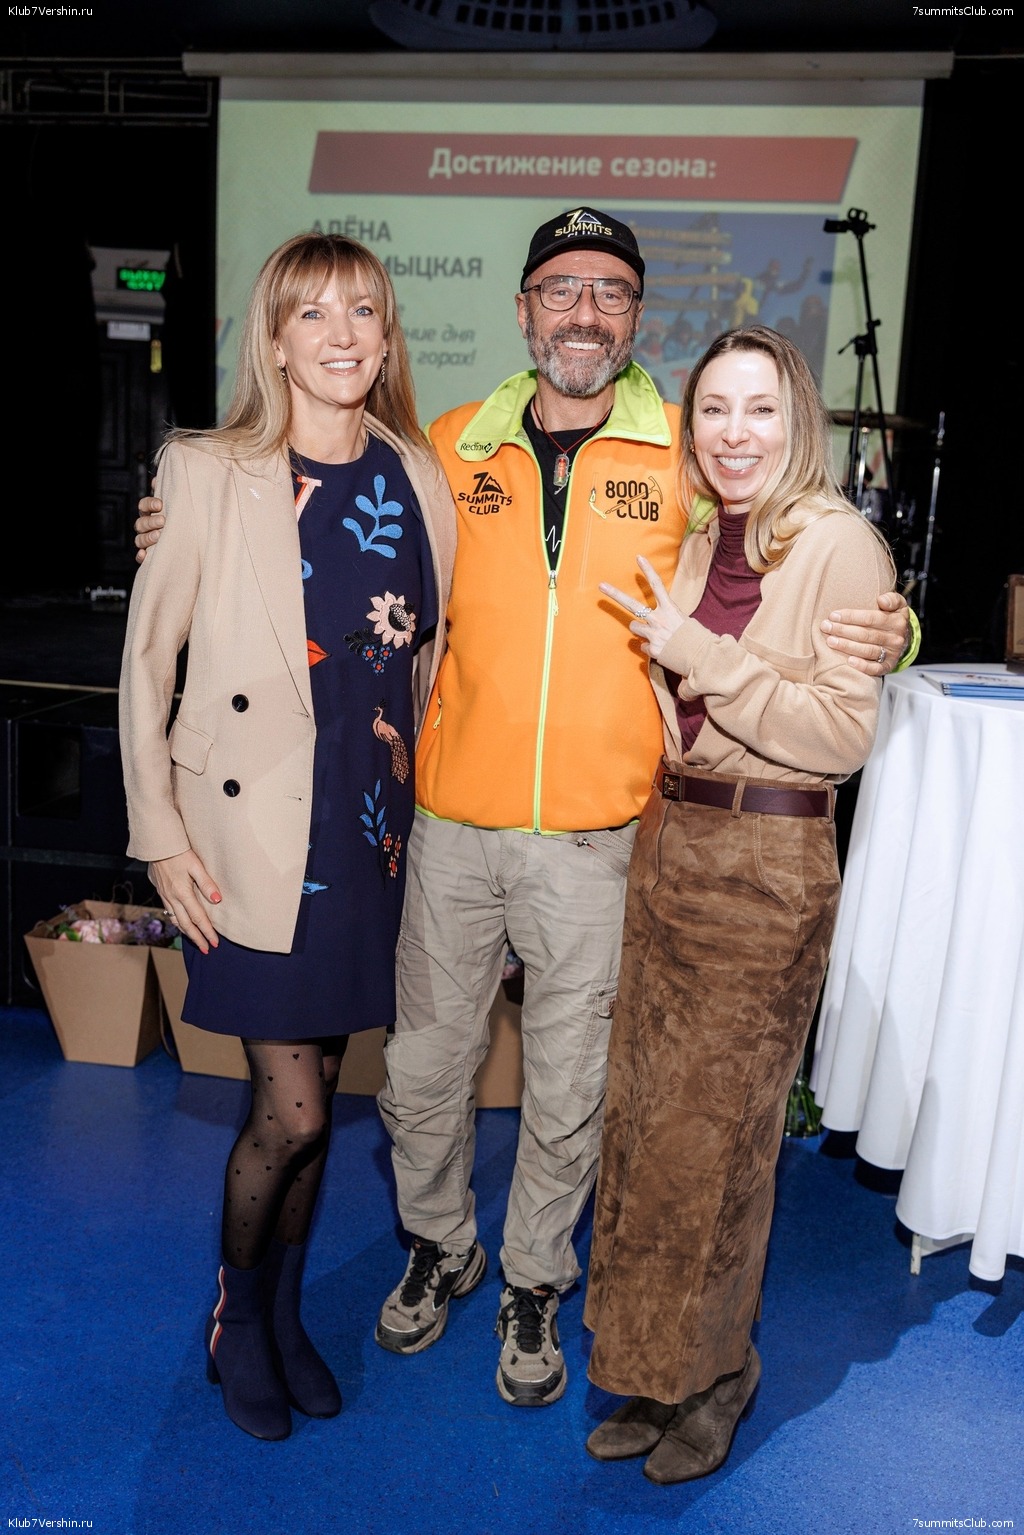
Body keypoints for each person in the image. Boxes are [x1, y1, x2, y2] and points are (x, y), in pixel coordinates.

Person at [133, 209, 914, 1411]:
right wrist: (172, 518)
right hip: (442, 826)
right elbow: (294, 523)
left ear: (637, 316)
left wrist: (893, 623)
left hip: (603, 836)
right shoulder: (448, 448)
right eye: (559, 290)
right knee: (417, 1080)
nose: (583, 313)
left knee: (565, 1090)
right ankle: (438, 1243)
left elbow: (790, 544)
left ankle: (535, 1276)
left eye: (610, 292)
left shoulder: (687, 457)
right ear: (523, 311)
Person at [119, 232, 456, 1441]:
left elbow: (424, 657)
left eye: (362, 310)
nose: (341, 335)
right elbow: (147, 660)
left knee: (317, 1107)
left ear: (388, 334)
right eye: (312, 313)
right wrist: (159, 835)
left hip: (367, 833)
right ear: (272, 340)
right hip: (248, 839)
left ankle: (282, 1314)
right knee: (297, 1111)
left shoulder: (418, 478)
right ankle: (234, 1313)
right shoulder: (205, 470)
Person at [584, 324, 894, 1482]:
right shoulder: (699, 531)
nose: (733, 432)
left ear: (796, 419)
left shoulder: (837, 544)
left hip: (765, 864)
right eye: (712, 409)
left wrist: (702, 656)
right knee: (646, 1125)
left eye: (758, 408)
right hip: (671, 845)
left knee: (717, 1142)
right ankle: (650, 1366)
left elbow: (841, 734)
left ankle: (715, 1375)